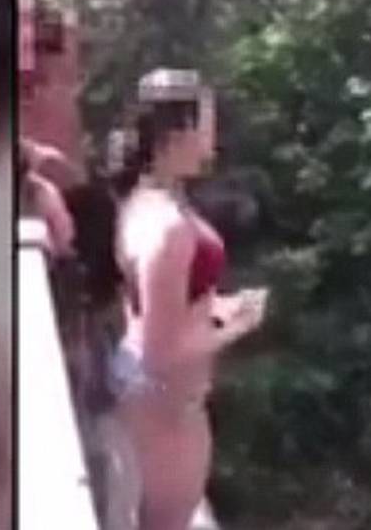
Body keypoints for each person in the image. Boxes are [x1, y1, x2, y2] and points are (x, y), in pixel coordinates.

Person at [103, 68, 268, 530]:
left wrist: (215, 308)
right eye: (208, 127)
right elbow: (161, 353)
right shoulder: (169, 228)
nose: (212, 144)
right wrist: (237, 324)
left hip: (149, 398)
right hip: (165, 410)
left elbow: (158, 307)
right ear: (178, 131)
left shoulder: (141, 201)